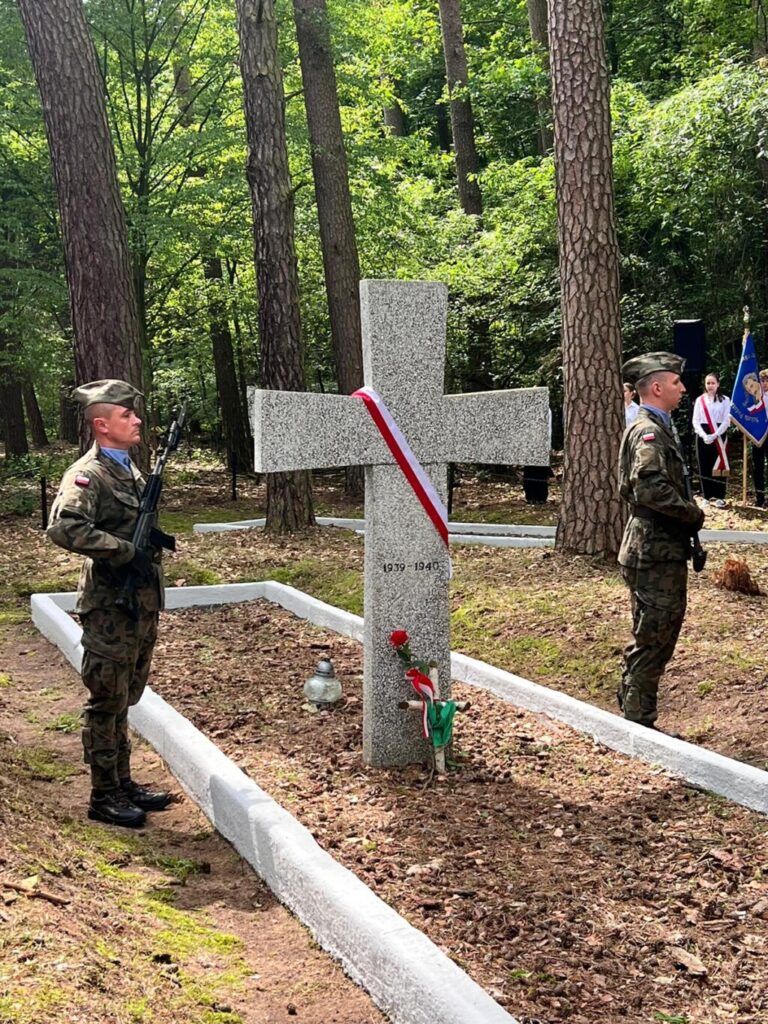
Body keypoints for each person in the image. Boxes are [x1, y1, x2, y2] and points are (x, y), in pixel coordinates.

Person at [47, 380, 173, 828]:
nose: (136, 420)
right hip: (110, 606)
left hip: (139, 603)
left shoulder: (132, 470)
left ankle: (123, 781)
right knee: (106, 699)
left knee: (125, 697)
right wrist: (123, 551)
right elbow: (64, 528)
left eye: (134, 414)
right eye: (126, 416)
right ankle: (103, 794)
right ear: (102, 425)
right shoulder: (89, 474)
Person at [616, 353, 705, 730]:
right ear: (656, 387)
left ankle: (634, 702)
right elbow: (648, 487)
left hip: (659, 547)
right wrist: (691, 512)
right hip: (653, 549)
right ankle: (640, 722)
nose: (683, 389)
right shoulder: (648, 430)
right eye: (675, 383)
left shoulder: (658, 426)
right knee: (656, 635)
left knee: (656, 631)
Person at [692, 372, 730, 507]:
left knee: (719, 464)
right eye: (708, 383)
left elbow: (726, 420)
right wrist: (703, 435)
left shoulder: (725, 400)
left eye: (713, 383)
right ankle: (706, 496)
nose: (710, 386)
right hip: (703, 434)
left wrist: (716, 434)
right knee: (704, 464)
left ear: (718, 384)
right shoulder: (699, 400)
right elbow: (695, 421)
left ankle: (720, 496)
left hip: (719, 433)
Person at [750, 369, 768, 508]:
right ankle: (760, 497)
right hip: (757, 435)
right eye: (762, 381)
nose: (765, 383)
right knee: (758, 467)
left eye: (767, 380)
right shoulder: (755, 397)